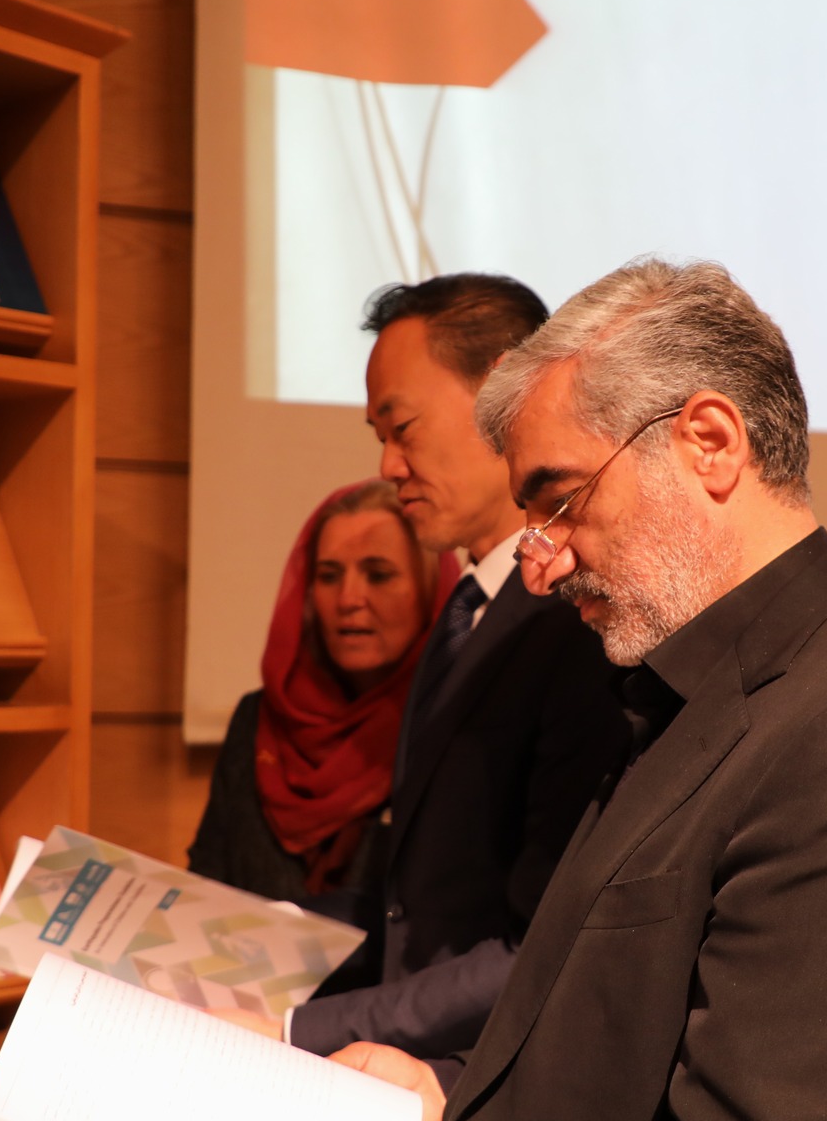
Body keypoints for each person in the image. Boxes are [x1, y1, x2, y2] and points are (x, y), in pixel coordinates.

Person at [131, 259, 827, 1121]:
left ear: (709, 442)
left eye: (562, 500)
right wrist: (442, 1091)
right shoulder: (701, 691)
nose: (542, 560)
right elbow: (631, 1035)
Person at [234, 274, 629, 1065]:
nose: (388, 464)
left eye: (404, 428)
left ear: (502, 395)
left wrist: (295, 1032)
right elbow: (424, 901)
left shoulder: (577, 620)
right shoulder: (468, 610)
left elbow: (541, 943)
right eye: (379, 435)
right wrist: (235, 942)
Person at [188, 479, 456, 903]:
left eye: (378, 575)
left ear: (430, 589)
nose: (349, 598)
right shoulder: (258, 720)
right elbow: (205, 886)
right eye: (329, 576)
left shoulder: (452, 724)